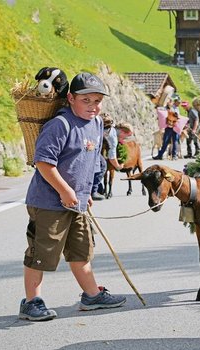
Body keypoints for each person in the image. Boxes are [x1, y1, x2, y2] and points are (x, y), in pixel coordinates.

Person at [19, 72, 126, 321]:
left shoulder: (97, 123)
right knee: (41, 252)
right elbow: (43, 162)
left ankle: (91, 295)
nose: (93, 106)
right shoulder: (60, 125)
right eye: (86, 100)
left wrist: (84, 193)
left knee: (81, 249)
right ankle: (31, 302)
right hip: (48, 202)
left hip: (76, 202)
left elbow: (87, 163)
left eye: (97, 100)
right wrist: (66, 191)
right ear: (70, 98)